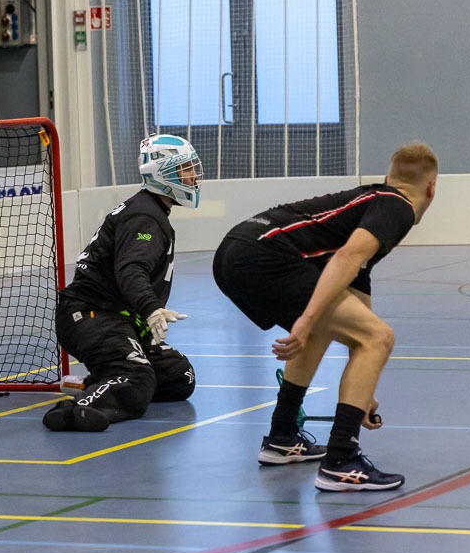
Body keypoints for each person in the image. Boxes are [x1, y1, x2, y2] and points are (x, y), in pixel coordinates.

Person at [213, 142, 438, 491]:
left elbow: (355, 300)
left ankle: (282, 436)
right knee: (379, 337)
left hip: (236, 250)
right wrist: (304, 320)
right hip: (263, 256)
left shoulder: (371, 200)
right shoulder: (398, 207)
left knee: (333, 330)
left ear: (387, 177)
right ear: (431, 188)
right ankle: (341, 461)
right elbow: (348, 257)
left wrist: (363, 388)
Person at [42, 134, 201, 432]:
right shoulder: (145, 217)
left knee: (179, 377)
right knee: (138, 378)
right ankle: (75, 410)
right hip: (93, 314)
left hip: (117, 317)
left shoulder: (149, 211)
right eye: (186, 169)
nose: (193, 176)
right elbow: (131, 269)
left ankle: (95, 383)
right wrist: (151, 309)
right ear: (164, 174)